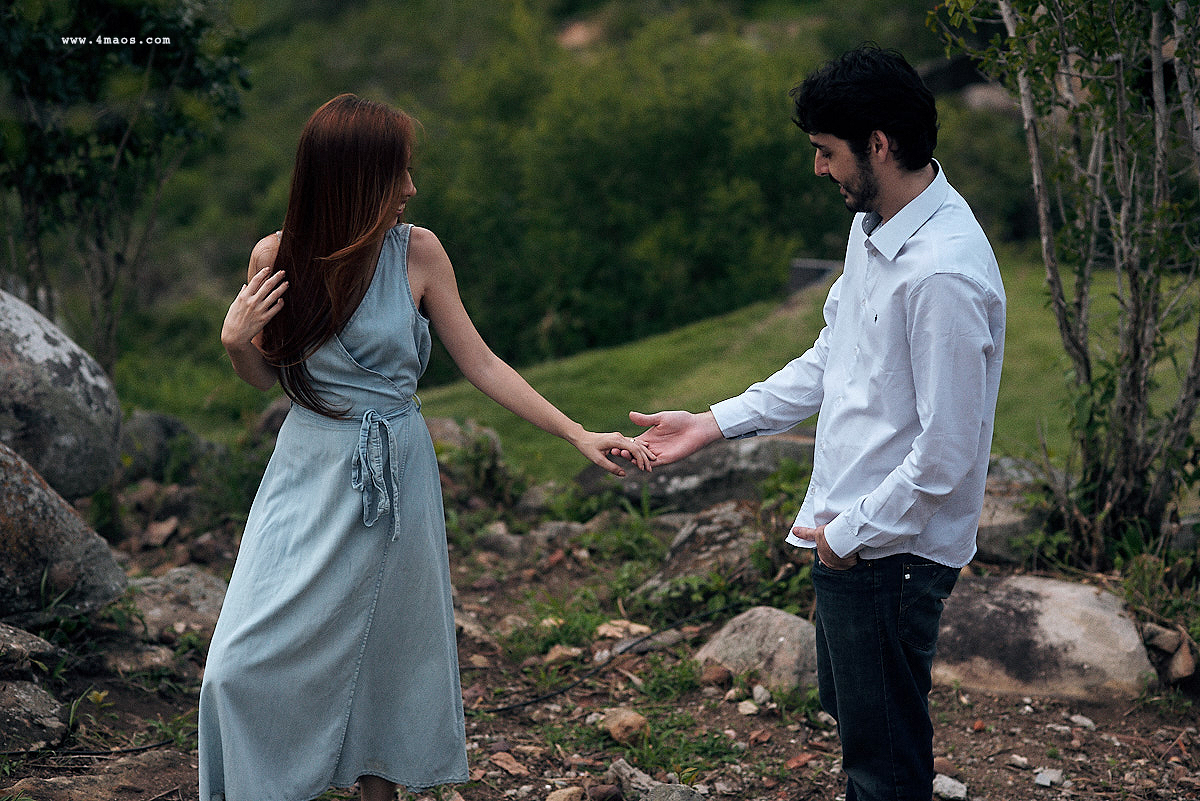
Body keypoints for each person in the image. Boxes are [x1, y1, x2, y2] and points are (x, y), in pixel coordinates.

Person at [201, 93, 652, 801]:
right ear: (349, 178)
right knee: (236, 662)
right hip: (308, 466)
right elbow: (268, 379)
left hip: (397, 468)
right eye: (396, 175)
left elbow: (483, 363)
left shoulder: (418, 252)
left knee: (390, 649)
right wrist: (235, 344)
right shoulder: (276, 255)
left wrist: (576, 431)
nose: (410, 189)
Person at [620, 45, 1005, 801]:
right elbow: (834, 356)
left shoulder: (944, 273)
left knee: (884, 762)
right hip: (850, 535)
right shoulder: (875, 225)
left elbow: (949, 452)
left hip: (888, 549)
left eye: (826, 153)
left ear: (879, 146)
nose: (819, 169)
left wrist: (847, 535)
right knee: (858, 720)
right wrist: (711, 423)